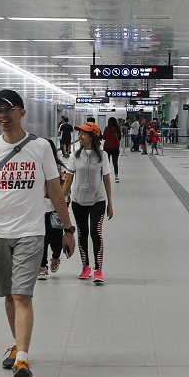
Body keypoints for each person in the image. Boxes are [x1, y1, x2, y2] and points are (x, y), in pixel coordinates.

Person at [0, 89, 75, 377]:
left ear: (22, 113)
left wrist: (68, 228)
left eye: (8, 109)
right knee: (10, 295)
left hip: (30, 231)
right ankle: (18, 344)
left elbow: (55, 189)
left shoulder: (40, 147)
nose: (2, 114)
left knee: (22, 295)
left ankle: (23, 357)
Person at [62, 122, 114, 285]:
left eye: (83, 134)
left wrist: (110, 202)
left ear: (92, 136)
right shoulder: (74, 156)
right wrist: (61, 201)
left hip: (97, 200)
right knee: (82, 234)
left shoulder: (102, 156)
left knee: (95, 233)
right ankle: (86, 267)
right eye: (79, 134)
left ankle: (98, 269)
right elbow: (69, 179)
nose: (79, 137)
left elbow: (106, 178)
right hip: (78, 201)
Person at [39, 137, 67, 280]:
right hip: (39, 209)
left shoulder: (59, 167)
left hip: (55, 209)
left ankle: (56, 256)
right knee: (42, 238)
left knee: (56, 239)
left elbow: (63, 189)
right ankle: (42, 266)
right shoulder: (36, 166)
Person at [102, 116, 121, 183]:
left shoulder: (107, 128)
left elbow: (103, 137)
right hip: (115, 147)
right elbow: (119, 138)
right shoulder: (117, 129)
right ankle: (116, 176)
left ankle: (106, 177)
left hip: (107, 148)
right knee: (115, 162)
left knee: (106, 163)